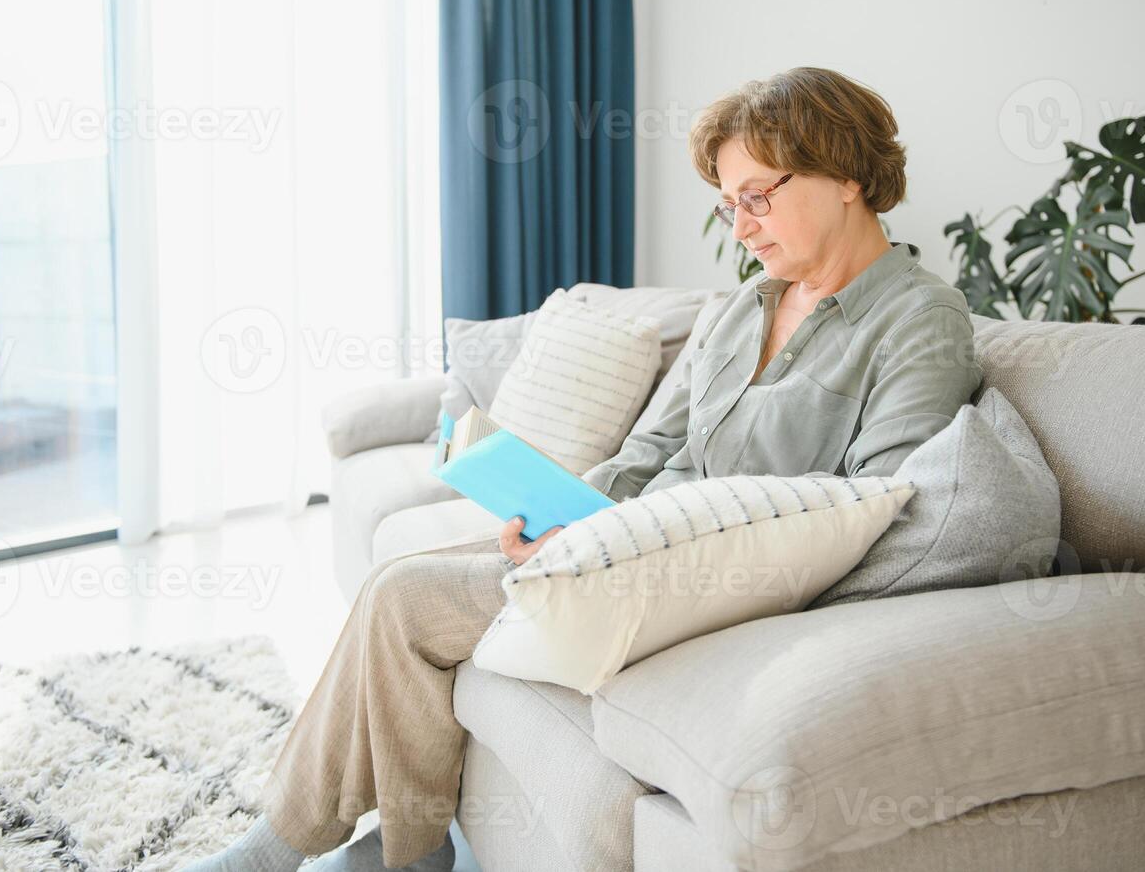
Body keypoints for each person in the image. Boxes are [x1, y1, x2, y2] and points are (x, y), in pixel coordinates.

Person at [181, 67, 981, 871]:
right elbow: (648, 452)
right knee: (408, 579)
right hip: (620, 544)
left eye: (756, 197)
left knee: (402, 598)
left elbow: (881, 504)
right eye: (727, 204)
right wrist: (566, 512)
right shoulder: (745, 306)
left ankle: (282, 851)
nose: (740, 226)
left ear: (845, 173)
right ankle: (403, 847)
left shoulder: (920, 320)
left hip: (708, 572)